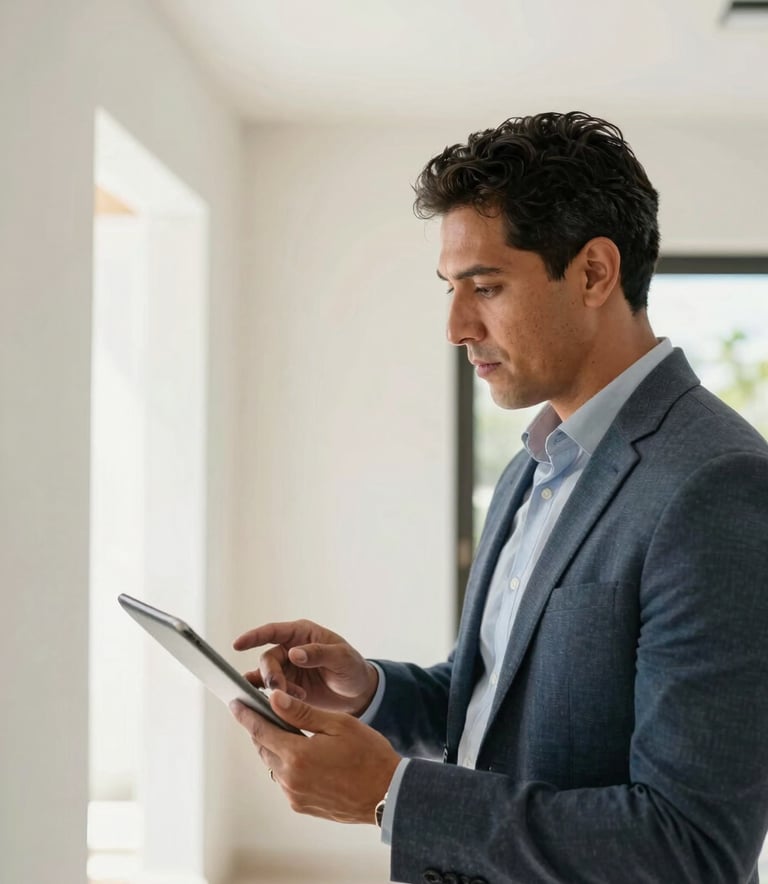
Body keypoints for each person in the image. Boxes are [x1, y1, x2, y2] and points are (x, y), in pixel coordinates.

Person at [230, 112, 768, 883]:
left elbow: (690, 847)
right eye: (451, 288)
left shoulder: (717, 486)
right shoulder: (535, 464)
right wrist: (372, 690)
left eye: (485, 287)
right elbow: (496, 698)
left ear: (593, 273)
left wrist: (392, 798)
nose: (455, 326)